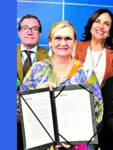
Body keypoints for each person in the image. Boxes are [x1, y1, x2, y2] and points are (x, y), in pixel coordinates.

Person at [20, 20, 103, 150]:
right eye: (58, 38)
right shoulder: (37, 69)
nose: (63, 43)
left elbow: (98, 111)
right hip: (43, 143)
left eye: (68, 38)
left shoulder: (86, 72)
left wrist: (73, 136)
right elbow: (20, 106)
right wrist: (37, 93)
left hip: (78, 145)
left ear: (75, 42)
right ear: (50, 41)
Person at [17, 14, 49, 150]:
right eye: (25, 28)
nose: (29, 32)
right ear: (19, 32)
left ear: (40, 33)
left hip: (40, 120)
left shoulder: (51, 56)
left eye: (34, 28)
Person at [74, 8, 113, 87]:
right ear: (91, 25)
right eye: (97, 21)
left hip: (106, 99)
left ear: (110, 30)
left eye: (106, 24)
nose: (101, 26)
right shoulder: (75, 47)